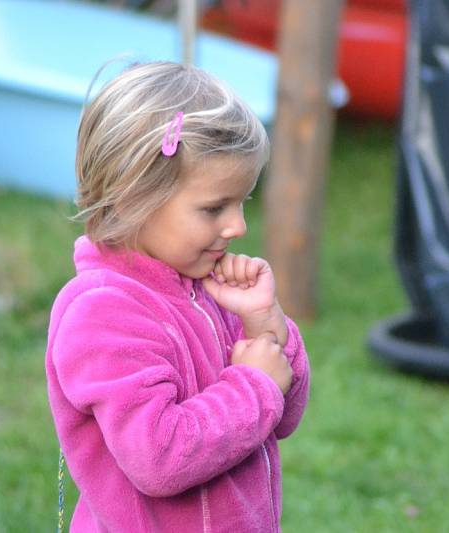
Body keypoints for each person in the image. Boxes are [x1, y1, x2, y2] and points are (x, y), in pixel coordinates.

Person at [45, 61, 310, 532]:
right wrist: (254, 383)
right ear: (133, 198)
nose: (238, 227)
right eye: (214, 208)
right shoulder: (103, 313)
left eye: (242, 202)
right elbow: (159, 459)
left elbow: (281, 417)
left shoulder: (206, 290)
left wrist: (265, 324)